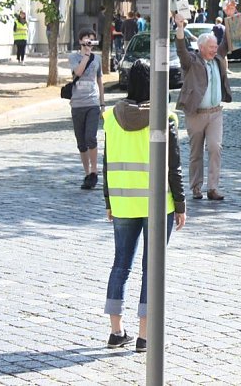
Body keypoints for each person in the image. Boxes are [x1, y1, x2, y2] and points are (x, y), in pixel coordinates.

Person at [103, 61, 186, 354]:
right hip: (157, 203)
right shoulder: (165, 118)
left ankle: (116, 331)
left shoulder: (110, 117)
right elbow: (173, 166)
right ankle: (144, 336)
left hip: (123, 202)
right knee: (153, 268)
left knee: (120, 264)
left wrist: (109, 202)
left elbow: (106, 163)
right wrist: (181, 203)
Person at [173, 12, 232, 200]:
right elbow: (181, 49)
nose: (215, 50)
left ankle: (213, 188)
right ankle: (196, 187)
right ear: (201, 47)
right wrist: (180, 27)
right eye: (211, 47)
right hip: (195, 113)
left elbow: (228, 43)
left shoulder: (218, 58)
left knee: (215, 147)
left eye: (215, 47)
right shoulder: (192, 61)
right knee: (195, 152)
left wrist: (230, 19)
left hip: (215, 113)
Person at [68, 29, 105, 190]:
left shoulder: (97, 58)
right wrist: (86, 55)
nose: (89, 41)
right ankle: (87, 172)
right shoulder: (73, 57)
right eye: (86, 39)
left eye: (92, 39)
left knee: (91, 137)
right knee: (81, 142)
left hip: (92, 103)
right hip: (77, 104)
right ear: (80, 40)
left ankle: (94, 172)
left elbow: (100, 80)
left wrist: (102, 103)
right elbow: (78, 71)